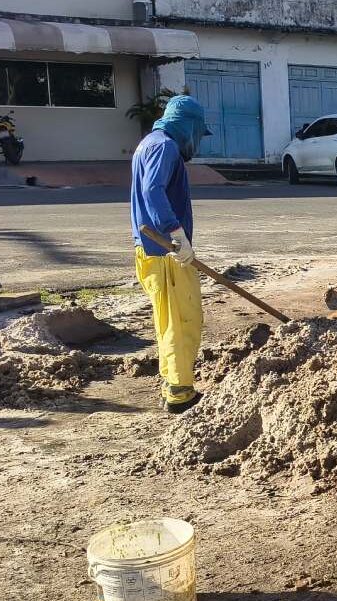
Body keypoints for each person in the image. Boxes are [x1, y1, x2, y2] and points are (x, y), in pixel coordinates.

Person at [129, 96, 212, 414]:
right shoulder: (164, 146)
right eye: (198, 133)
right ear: (188, 125)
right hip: (165, 251)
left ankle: (172, 382)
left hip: (151, 251)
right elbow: (152, 191)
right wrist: (175, 233)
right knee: (183, 319)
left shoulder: (147, 144)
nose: (197, 141)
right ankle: (180, 391)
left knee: (168, 320)